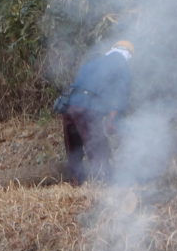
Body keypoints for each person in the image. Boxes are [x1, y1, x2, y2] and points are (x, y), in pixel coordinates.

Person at [55, 39, 134, 184]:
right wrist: (112, 119)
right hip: (87, 108)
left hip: (69, 106)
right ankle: (105, 182)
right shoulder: (122, 65)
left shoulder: (92, 63)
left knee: (73, 147)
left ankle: (76, 180)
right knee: (97, 146)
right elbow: (120, 94)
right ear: (128, 54)